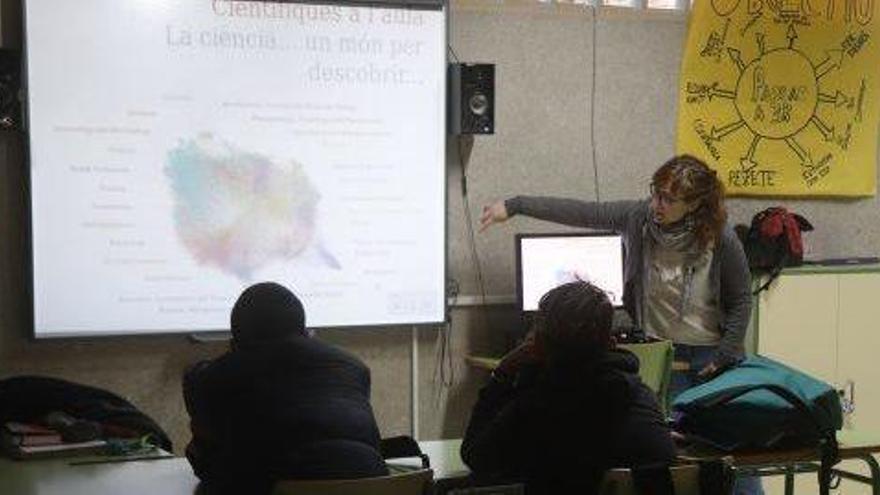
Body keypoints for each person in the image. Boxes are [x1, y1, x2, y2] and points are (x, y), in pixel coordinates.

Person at [480, 154, 762, 494]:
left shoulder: (721, 237)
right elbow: (583, 212)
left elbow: (742, 300)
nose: (656, 204)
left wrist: (725, 355)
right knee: (675, 459)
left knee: (730, 459)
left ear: (695, 204)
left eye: (668, 199)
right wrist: (514, 206)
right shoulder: (638, 219)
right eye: (655, 193)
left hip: (711, 359)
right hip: (663, 354)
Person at [461, 281, 676, 494]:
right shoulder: (643, 398)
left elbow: (474, 456)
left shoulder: (537, 407)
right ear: (611, 342)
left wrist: (501, 375)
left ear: (539, 345)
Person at [183, 282, 387, 495]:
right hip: (373, 484)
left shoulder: (212, 377)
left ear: (234, 343)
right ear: (307, 333)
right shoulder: (353, 366)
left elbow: (205, 459)